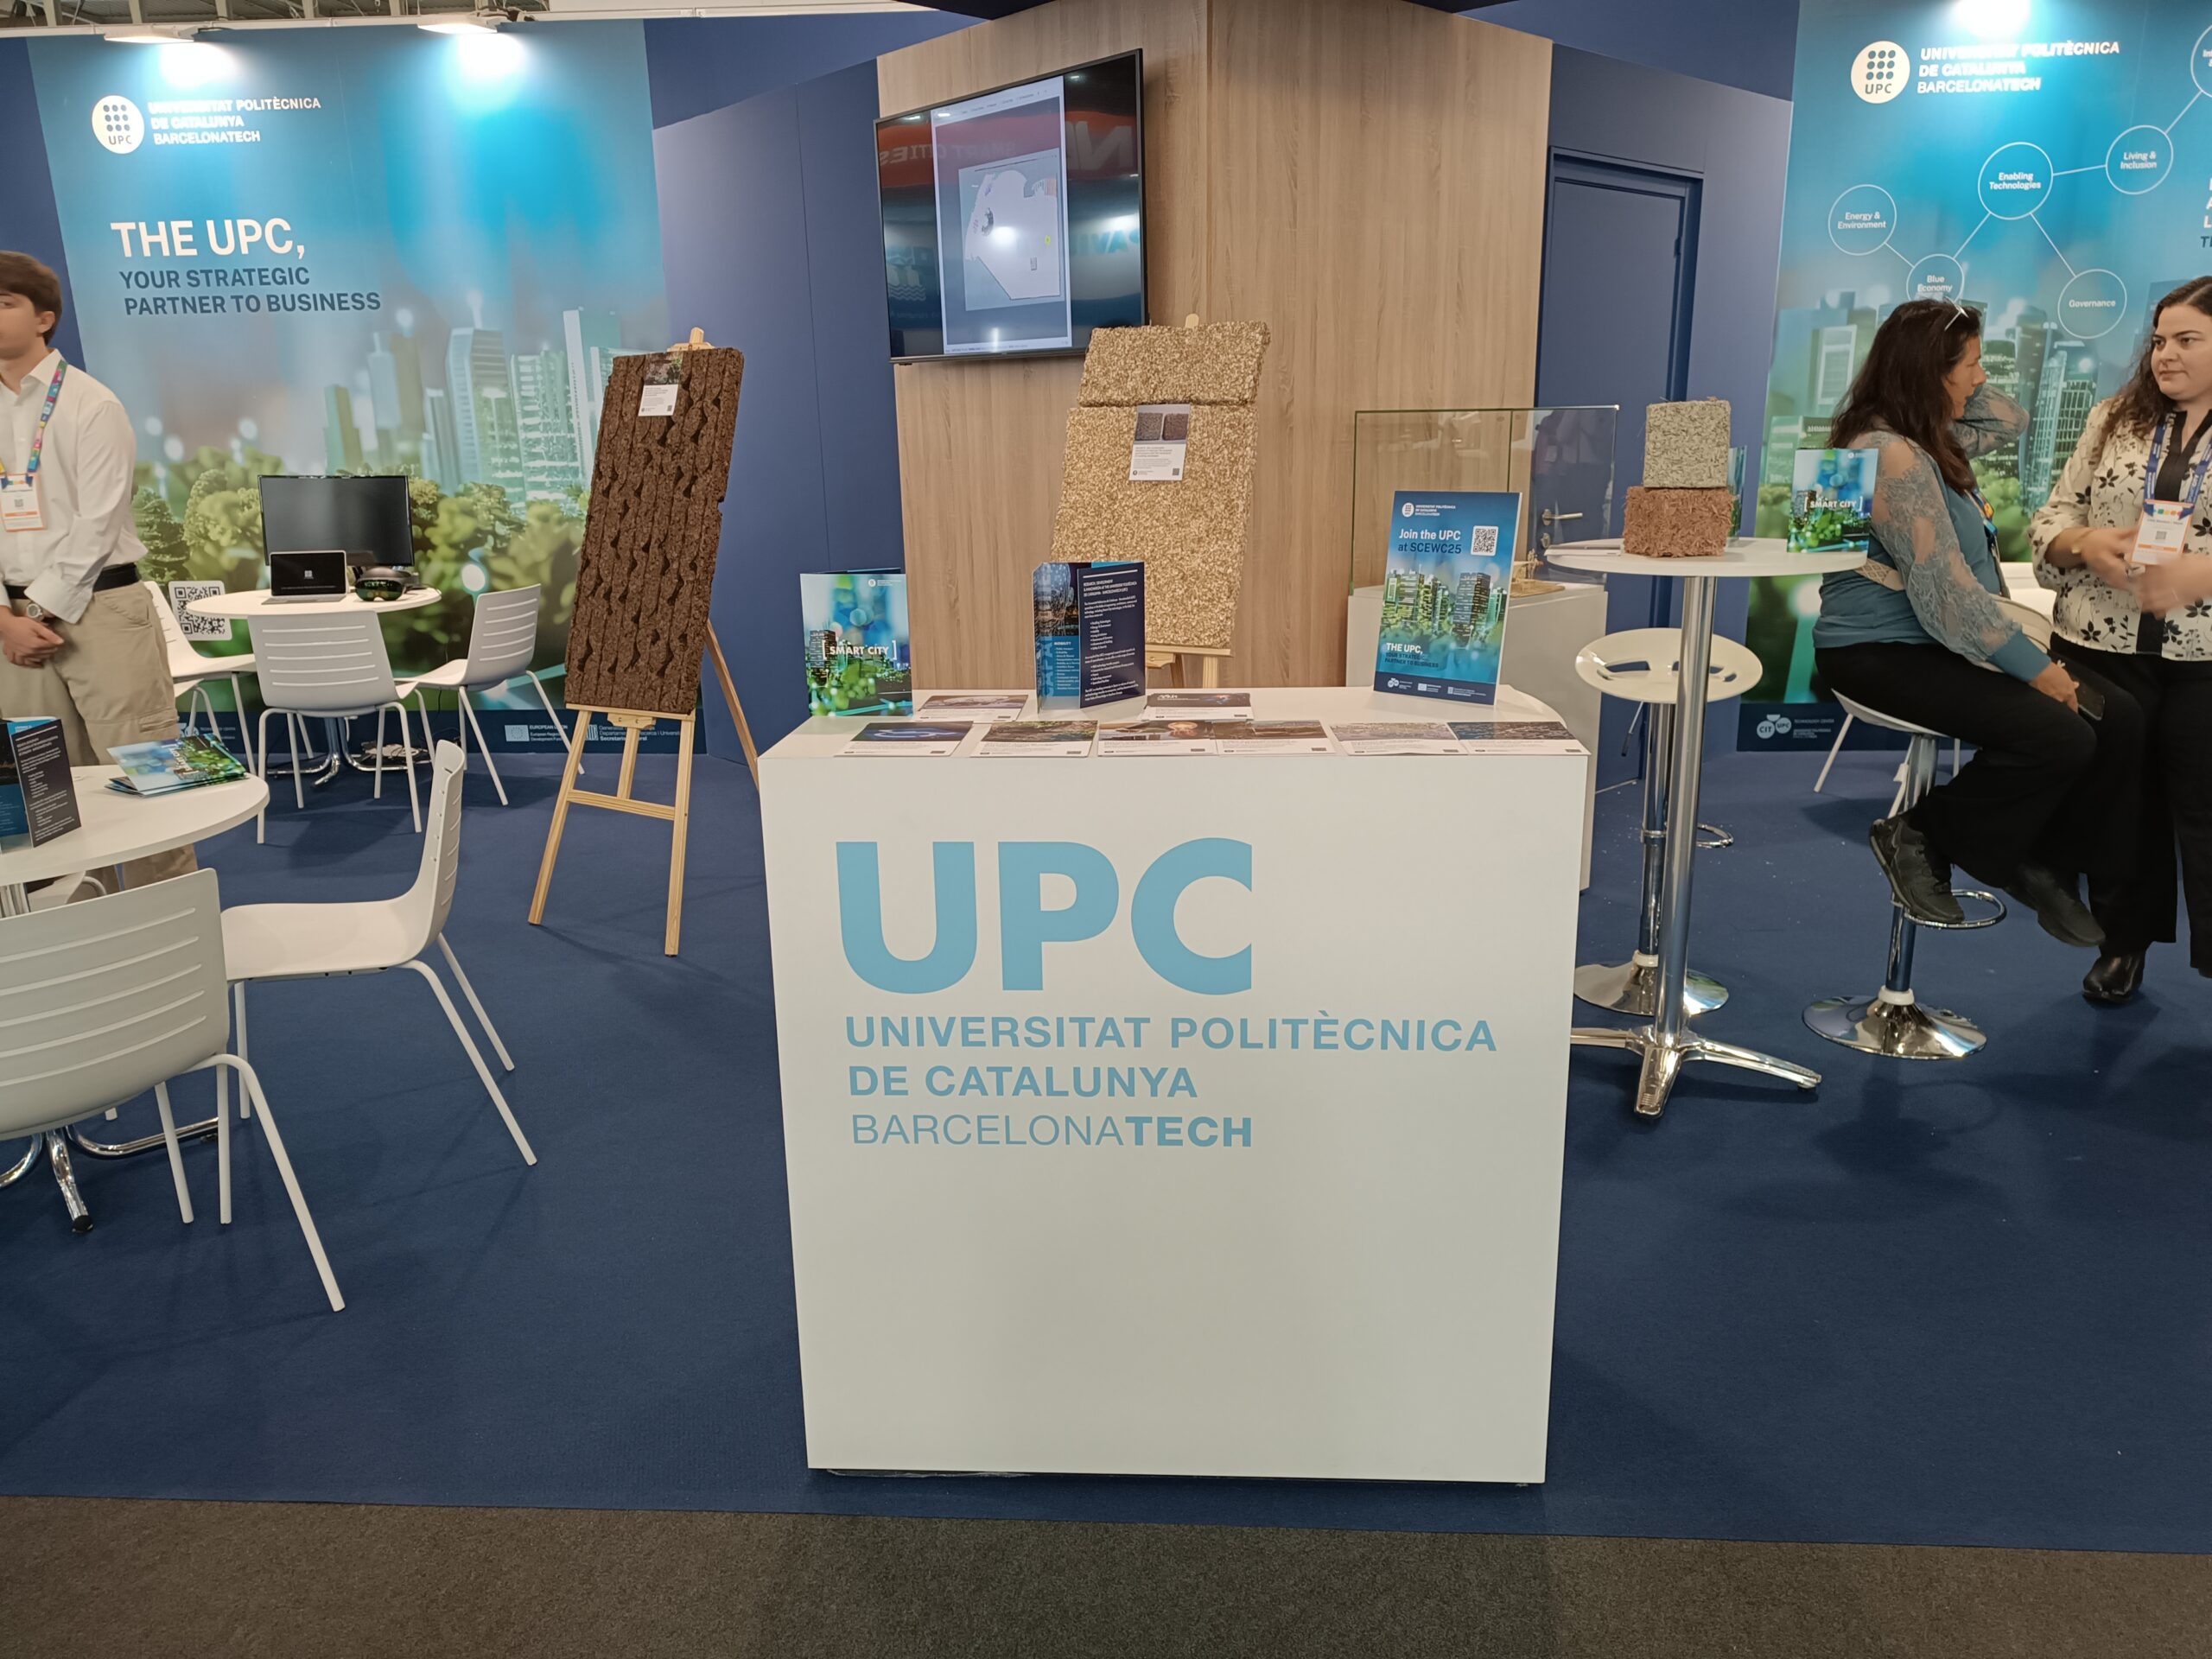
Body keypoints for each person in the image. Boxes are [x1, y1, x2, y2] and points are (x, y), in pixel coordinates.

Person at [1811, 297, 2140, 947]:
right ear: (1927, 371)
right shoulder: (1888, 455)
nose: (1982, 378)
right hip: (1874, 650)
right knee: (2060, 733)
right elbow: (1947, 599)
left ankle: (2036, 857)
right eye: (1970, 365)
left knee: (2118, 716)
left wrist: (1947, 360)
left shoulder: (1912, 438)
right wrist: (2035, 669)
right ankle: (1919, 835)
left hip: (1929, 639)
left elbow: (2012, 420)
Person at [2030, 276, 2212, 1004]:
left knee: (2204, 813)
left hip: (2204, 661)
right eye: (2160, 340)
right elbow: (2052, 519)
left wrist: (2200, 573)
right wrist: (2085, 545)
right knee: (2119, 808)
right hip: (2099, 646)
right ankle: (2122, 943)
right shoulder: (2113, 418)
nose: (2165, 355)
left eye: (2187, 340)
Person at [0, 251, 191, 888]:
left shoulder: (91, 403)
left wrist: (36, 611)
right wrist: (5, 620)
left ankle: (168, 923)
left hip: (101, 611)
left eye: (4, 303)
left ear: (44, 318)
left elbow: (99, 520)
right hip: (11, 628)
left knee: (147, 774)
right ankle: (87, 928)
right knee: (44, 795)